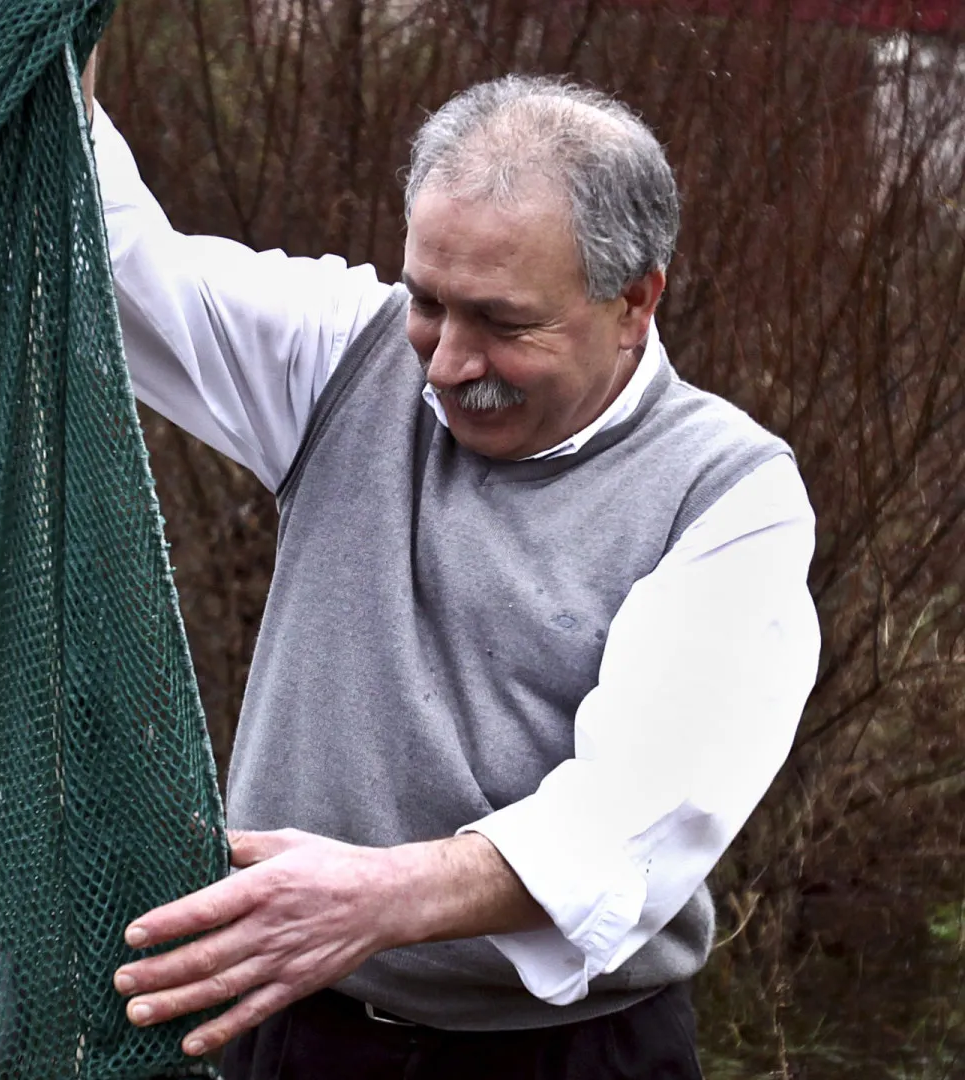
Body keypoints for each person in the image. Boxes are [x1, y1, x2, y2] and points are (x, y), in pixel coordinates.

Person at [78, 59, 820, 1080]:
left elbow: (637, 809)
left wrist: (377, 900)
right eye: (430, 301)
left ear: (634, 301)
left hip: (566, 1057)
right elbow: (120, 265)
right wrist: (51, 73)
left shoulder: (728, 494)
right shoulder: (351, 353)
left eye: (503, 323)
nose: (445, 361)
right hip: (296, 1034)